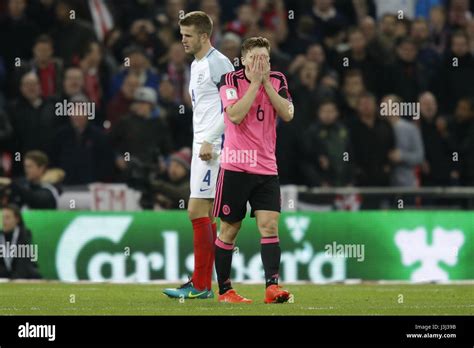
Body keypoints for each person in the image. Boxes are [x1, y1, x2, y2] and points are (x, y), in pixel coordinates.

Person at [213, 36, 293, 303]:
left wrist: (266, 83)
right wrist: (255, 83)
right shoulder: (230, 80)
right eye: (257, 58)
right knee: (229, 230)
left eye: (266, 59)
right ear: (244, 59)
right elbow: (235, 115)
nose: (262, 63)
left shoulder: (278, 80)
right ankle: (225, 291)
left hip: (267, 168)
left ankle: (272, 287)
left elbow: (288, 113)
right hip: (235, 166)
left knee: (269, 227)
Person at [163, 11, 234, 300]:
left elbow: (233, 106)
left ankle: (202, 284)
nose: (183, 41)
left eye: (188, 35)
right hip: (201, 145)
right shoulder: (196, 64)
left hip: (212, 148)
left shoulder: (219, 63)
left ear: (204, 36)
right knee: (205, 213)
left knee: (196, 210)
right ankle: (203, 282)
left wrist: (210, 139)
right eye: (181, 35)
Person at [0, 204, 42, 279]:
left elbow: (24, 263)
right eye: (2, 218)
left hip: (25, 274)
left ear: (17, 219)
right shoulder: (1, 236)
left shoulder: (24, 235)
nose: (4, 221)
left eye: (7, 218)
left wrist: (12, 280)